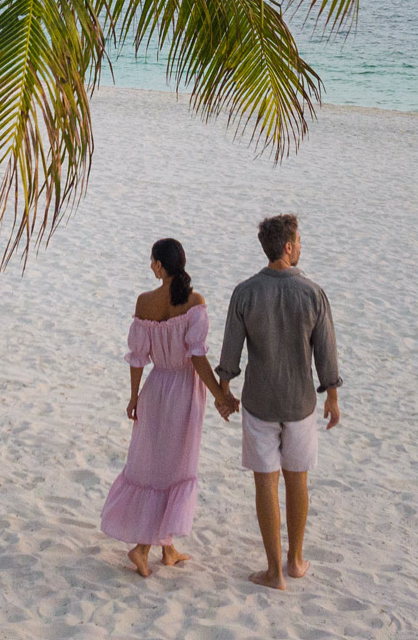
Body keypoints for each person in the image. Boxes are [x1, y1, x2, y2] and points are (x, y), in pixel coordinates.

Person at [214, 212, 342, 591]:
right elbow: (327, 353)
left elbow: (229, 354)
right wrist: (332, 396)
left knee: (265, 483)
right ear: (287, 247)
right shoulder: (313, 293)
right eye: (299, 241)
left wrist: (224, 392)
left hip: (259, 402)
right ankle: (296, 562)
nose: (301, 246)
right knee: (297, 479)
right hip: (300, 403)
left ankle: (273, 571)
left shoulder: (246, 292)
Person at [100, 237, 231, 577]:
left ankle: (167, 548)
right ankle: (142, 547)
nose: (150, 266)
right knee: (174, 469)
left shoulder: (145, 303)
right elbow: (198, 357)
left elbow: (137, 359)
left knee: (153, 465)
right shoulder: (194, 303)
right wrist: (219, 395)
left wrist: (133, 397)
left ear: (159, 265)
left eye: (151, 261)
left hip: (156, 387)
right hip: (185, 390)